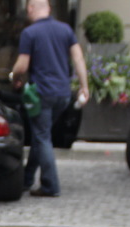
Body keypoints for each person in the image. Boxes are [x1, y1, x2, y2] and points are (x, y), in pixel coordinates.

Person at [11, 0, 89, 197]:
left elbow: (22, 66)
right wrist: (84, 86)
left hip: (42, 94)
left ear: (30, 8)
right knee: (41, 136)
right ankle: (28, 179)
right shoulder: (66, 30)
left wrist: (14, 77)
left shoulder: (30, 33)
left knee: (42, 137)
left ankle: (50, 185)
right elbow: (78, 58)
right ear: (49, 9)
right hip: (63, 95)